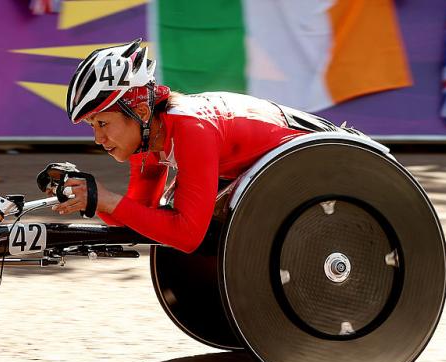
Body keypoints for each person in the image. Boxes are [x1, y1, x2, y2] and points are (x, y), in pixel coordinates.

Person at [53, 39, 345, 254]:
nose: (98, 139)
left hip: (324, 159)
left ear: (140, 113)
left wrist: (107, 200)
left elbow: (188, 236)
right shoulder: (148, 139)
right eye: (92, 127)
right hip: (283, 172)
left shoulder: (191, 129)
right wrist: (89, 197)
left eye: (102, 124)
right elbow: (138, 218)